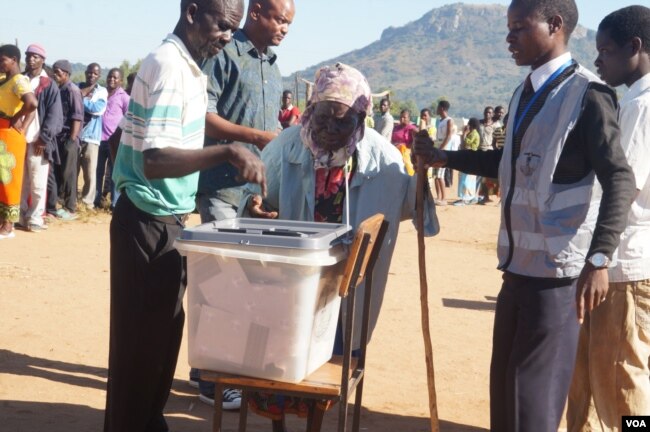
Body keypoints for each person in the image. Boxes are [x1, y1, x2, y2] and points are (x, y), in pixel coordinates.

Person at [413, 0, 636, 429]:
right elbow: (510, 162)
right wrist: (445, 157)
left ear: (554, 25)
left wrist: (599, 258)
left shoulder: (589, 96)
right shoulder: (526, 92)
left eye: (519, 28)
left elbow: (619, 179)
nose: (509, 38)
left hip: (557, 280)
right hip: (517, 272)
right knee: (506, 394)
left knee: (532, 405)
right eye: (508, 28)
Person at [240, 63, 439, 430]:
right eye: (322, 118)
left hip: (345, 283)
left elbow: (409, 203)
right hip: (292, 280)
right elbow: (255, 200)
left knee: (329, 364)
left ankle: (315, 425)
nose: (329, 130)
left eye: (342, 122)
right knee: (280, 362)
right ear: (310, 110)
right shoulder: (285, 148)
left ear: (361, 119)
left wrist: (424, 170)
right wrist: (256, 209)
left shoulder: (383, 158)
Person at [103, 1, 267, 430]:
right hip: (145, 220)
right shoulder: (170, 66)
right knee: (139, 352)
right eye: (222, 26)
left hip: (167, 221)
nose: (227, 37)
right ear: (192, 12)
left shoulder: (191, 68)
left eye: (233, 30)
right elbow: (155, 160)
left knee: (158, 346)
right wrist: (230, 151)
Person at [191, 0, 295, 409]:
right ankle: (209, 377)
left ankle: (230, 367)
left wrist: (259, 190)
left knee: (246, 284)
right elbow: (203, 116)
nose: (285, 28)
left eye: (289, 23)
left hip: (249, 193)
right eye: (280, 19)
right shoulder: (224, 52)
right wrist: (255, 137)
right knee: (218, 281)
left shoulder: (272, 64)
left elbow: (267, 140)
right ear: (256, 14)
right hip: (217, 185)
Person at [567, 5, 650, 430]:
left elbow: (622, 188)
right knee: (587, 378)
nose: (598, 61)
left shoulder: (640, 106)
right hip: (613, 262)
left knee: (623, 387)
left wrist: (598, 259)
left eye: (606, 51)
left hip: (622, 266)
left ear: (635, 48)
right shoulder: (633, 100)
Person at [19, 43, 63, 233]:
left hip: (38, 141)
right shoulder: (20, 80)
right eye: (29, 56)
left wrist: (44, 139)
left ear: (43, 60)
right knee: (21, 182)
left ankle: (35, 217)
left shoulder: (49, 85)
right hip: (20, 138)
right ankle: (20, 215)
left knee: (38, 182)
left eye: (35, 56)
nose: (31, 59)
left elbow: (55, 115)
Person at [0, 45, 38, 239]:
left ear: (14, 60)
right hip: (1, 133)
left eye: (2, 60)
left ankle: (8, 226)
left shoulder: (18, 81)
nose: (0, 64)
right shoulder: (3, 79)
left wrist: (19, 119)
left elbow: (32, 103)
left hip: (9, 133)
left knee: (9, 179)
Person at [50, 60, 82, 221]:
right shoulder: (58, 89)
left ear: (67, 74)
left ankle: (70, 208)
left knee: (69, 173)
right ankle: (56, 204)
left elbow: (77, 117)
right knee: (57, 171)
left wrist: (72, 140)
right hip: (57, 137)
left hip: (69, 138)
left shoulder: (73, 90)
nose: (55, 75)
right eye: (54, 71)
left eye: (58, 72)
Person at [95, 68, 129, 210]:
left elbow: (128, 117)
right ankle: (96, 200)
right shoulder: (101, 93)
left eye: (115, 78)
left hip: (115, 142)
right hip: (99, 139)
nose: (112, 80)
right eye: (110, 77)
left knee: (115, 173)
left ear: (121, 81)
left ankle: (115, 203)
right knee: (98, 171)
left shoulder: (124, 97)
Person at [78, 63, 108, 208]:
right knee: (72, 171)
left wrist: (81, 99)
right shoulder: (78, 86)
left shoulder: (101, 91)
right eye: (90, 73)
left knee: (90, 172)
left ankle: (87, 203)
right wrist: (83, 98)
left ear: (99, 76)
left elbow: (97, 109)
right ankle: (70, 200)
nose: (92, 75)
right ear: (85, 73)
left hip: (91, 137)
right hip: (76, 135)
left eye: (95, 74)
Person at [454, 117, 480, 206]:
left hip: (471, 157)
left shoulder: (474, 134)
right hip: (467, 156)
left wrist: (464, 134)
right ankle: (463, 197)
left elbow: (467, 142)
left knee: (466, 179)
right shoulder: (471, 133)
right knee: (463, 178)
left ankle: (466, 198)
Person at [433, 100, 454, 205]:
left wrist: (441, 148)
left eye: (438, 107)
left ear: (441, 108)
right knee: (436, 175)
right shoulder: (440, 121)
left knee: (440, 174)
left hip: (443, 149)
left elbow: (448, 136)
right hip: (438, 146)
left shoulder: (449, 120)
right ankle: (438, 197)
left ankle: (444, 198)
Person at [390, 108, 417, 175]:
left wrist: (403, 146)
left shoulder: (412, 128)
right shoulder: (396, 128)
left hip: (406, 152)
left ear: (409, 118)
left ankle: (410, 175)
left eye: (404, 117)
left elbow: (415, 141)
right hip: (393, 150)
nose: (402, 119)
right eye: (401, 117)